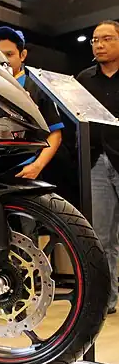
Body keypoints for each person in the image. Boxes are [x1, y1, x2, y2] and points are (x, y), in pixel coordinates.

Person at [76, 20, 119, 314]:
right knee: (101, 238)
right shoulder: (83, 79)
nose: (99, 45)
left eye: (107, 39)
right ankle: (108, 298)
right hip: (96, 163)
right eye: (95, 40)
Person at [0, 26, 65, 180]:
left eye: (9, 54)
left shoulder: (38, 88)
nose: (3, 60)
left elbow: (55, 134)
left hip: (25, 168)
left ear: (23, 55)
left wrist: (37, 165)